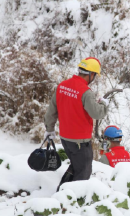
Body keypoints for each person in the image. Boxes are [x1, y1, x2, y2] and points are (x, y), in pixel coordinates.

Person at [44, 57, 110, 190]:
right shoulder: (86, 92)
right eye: (95, 75)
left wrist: (50, 129)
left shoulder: (62, 86)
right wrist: (103, 104)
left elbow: (51, 111)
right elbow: (97, 113)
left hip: (65, 139)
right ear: (91, 74)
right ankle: (69, 201)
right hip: (80, 141)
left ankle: (62, 190)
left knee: (75, 166)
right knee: (83, 173)